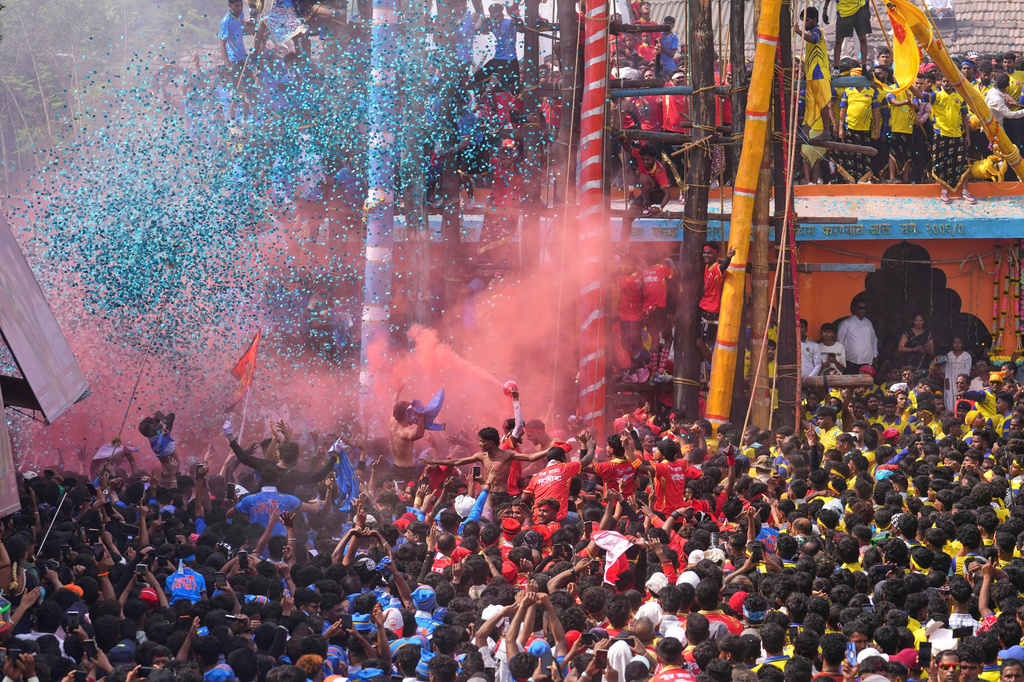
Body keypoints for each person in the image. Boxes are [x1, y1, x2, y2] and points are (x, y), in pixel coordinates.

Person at [919, 74, 976, 204]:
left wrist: (967, 135)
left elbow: (964, 117)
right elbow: (920, 96)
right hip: (940, 135)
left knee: (963, 163)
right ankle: (944, 191)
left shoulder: (960, 97)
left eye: (949, 81)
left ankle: (965, 191)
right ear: (940, 83)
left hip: (957, 135)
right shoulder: (936, 96)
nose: (946, 83)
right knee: (939, 163)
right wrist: (908, 85)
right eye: (944, 81)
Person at [794, 7, 833, 141]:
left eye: (807, 20)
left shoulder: (817, 32)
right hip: (812, 76)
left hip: (820, 74)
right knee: (811, 105)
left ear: (815, 20)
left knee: (822, 103)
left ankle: (826, 131)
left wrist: (799, 32)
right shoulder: (812, 32)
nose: (805, 24)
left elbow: (813, 40)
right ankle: (805, 132)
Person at [472, 3, 523, 93]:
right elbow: (478, 29)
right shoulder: (491, 24)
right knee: (474, 80)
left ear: (502, 15)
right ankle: (482, 101)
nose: (496, 19)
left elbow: (518, 24)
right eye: (493, 16)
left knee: (511, 88)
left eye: (498, 16)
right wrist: (476, 18)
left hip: (509, 60)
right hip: (497, 58)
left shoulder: (508, 23)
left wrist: (512, 14)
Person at [698, 243, 736, 343]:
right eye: (704, 253)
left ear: (715, 255)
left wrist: (728, 257)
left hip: (711, 309)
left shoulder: (716, 268)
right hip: (704, 306)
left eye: (709, 253)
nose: (706, 255)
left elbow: (723, 266)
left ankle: (711, 359)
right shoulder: (706, 267)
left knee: (700, 344)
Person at [824, 0, 871, 73]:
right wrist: (825, 9)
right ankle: (836, 69)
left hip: (860, 8)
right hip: (844, 11)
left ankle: (864, 68)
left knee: (862, 38)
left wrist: (867, 8)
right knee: (839, 40)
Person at [837, 299, 877, 373]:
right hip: (851, 362)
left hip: (867, 362)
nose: (863, 311)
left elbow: (874, 340)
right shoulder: (846, 323)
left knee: (866, 383)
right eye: (860, 308)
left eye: (865, 309)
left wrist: (874, 355)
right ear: (853, 308)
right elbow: (840, 342)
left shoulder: (868, 322)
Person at [944, 336, 973, 411]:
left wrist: (963, 381)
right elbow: (946, 368)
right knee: (950, 396)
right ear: (952, 344)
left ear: (962, 344)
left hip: (961, 379)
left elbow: (967, 369)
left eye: (959, 342)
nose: (957, 344)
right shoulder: (949, 355)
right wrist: (946, 378)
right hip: (950, 378)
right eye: (955, 342)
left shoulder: (966, 355)